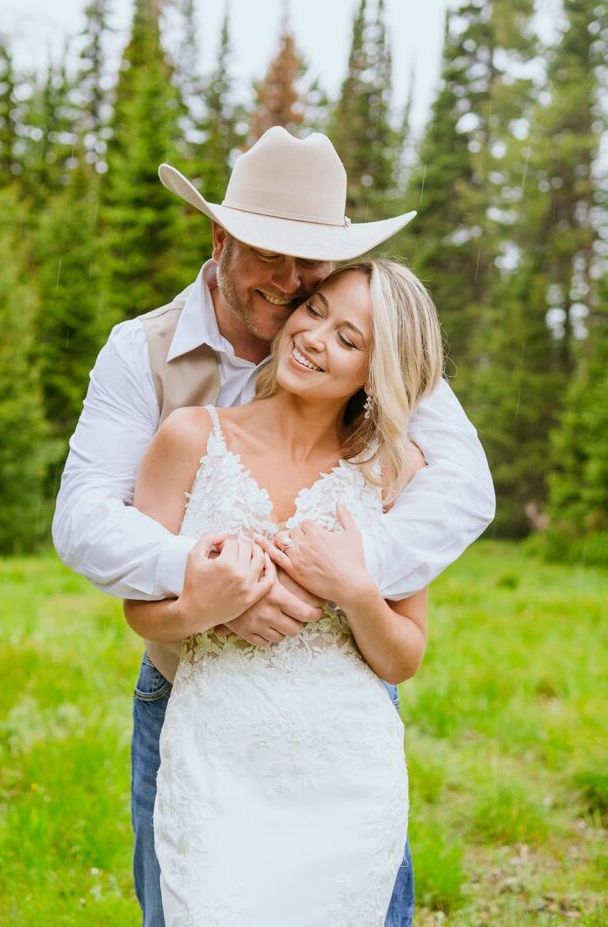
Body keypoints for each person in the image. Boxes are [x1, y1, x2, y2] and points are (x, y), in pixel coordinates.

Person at [52, 126, 495, 927]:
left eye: (310, 265)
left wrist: (345, 581)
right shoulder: (143, 358)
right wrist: (214, 580)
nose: (292, 287)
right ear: (221, 238)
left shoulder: (374, 349)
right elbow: (84, 520)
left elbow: (463, 491)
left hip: (341, 718)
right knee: (184, 898)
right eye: (270, 255)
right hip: (194, 691)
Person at [124, 256, 440, 924]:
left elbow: (402, 657)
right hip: (215, 761)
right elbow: (140, 609)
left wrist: (354, 591)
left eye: (348, 339)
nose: (314, 338)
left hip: (346, 771)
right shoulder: (189, 438)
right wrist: (204, 607)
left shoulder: (395, 471)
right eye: (314, 312)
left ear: (375, 370)